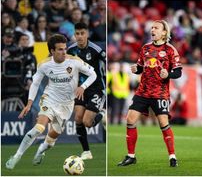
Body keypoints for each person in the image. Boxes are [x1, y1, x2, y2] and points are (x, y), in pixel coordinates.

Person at [5, 34, 97, 169]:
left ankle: (40, 151)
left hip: (66, 105)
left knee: (51, 140)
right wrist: (29, 103)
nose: (64, 52)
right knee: (39, 128)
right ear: (52, 51)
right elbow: (35, 84)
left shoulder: (74, 61)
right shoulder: (44, 65)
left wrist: (82, 87)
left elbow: (93, 74)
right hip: (50, 99)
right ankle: (16, 156)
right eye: (60, 49)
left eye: (65, 48)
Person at [117, 20, 182, 167]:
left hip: (160, 93)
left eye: (156, 28)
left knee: (163, 123)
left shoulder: (170, 49)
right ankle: (131, 156)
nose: (152, 30)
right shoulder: (145, 48)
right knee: (130, 119)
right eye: (151, 27)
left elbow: (178, 72)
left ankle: (172, 156)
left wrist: (168, 74)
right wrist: (136, 69)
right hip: (143, 91)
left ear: (164, 32)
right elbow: (141, 66)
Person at [67, 22, 106, 160]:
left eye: (82, 33)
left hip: (96, 89)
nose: (80, 37)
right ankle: (86, 152)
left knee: (87, 122)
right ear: (74, 34)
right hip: (80, 89)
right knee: (77, 118)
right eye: (77, 34)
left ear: (87, 34)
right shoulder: (70, 50)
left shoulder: (96, 50)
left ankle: (102, 114)